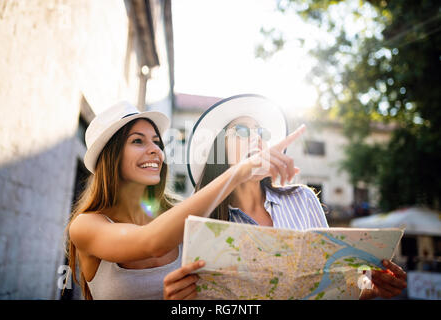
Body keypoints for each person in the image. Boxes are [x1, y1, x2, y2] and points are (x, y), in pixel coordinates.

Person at [163, 94, 407, 300]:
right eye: (241, 131)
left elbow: (333, 287)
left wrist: (369, 288)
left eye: (262, 132)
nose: (257, 138)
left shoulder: (303, 199)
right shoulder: (197, 221)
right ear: (218, 148)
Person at [65, 100, 302, 299]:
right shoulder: (86, 226)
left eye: (156, 142)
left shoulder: (183, 216)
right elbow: (151, 242)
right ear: (110, 156)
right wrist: (238, 172)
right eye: (138, 141)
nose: (155, 150)